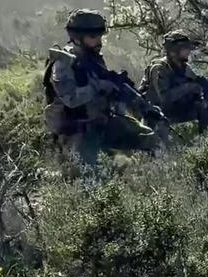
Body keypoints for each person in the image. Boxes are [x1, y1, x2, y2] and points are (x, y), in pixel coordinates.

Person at [43, 9, 163, 172]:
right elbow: (71, 99)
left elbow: (117, 89)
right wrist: (100, 86)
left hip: (103, 123)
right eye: (93, 37)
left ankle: (149, 179)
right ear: (77, 38)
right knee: (90, 179)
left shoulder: (94, 60)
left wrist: (144, 107)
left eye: (100, 36)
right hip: (78, 133)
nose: (99, 41)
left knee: (150, 139)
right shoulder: (63, 63)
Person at [139, 30, 208, 134]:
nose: (188, 51)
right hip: (156, 113)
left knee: (207, 106)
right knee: (161, 143)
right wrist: (190, 87)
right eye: (185, 48)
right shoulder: (159, 68)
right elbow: (164, 98)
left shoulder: (185, 68)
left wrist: (206, 91)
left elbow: (197, 85)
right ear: (173, 51)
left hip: (174, 109)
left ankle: (207, 140)